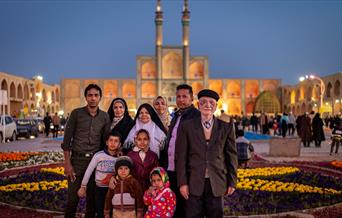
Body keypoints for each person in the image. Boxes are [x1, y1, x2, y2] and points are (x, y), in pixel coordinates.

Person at [175, 89, 238, 218]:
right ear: (198, 105)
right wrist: (182, 183)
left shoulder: (225, 127)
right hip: (194, 182)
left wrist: (232, 181)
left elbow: (231, 155)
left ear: (215, 106)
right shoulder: (187, 126)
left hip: (216, 182)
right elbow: (181, 157)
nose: (207, 105)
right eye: (203, 102)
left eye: (211, 102)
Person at [61, 84, 111, 218]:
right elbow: (66, 141)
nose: (93, 98)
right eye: (90, 95)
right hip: (77, 161)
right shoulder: (76, 114)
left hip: (95, 163)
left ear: (100, 98)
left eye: (96, 95)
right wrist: (67, 163)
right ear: (86, 97)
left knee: (92, 202)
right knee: (72, 200)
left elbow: (106, 141)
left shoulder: (105, 117)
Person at [159, 84, 200, 218]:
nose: (181, 99)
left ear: (192, 98)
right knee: (174, 208)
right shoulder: (177, 115)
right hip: (172, 170)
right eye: (178, 96)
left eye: (184, 96)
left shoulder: (196, 117)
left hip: (187, 172)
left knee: (188, 209)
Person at [77, 130, 122, 218]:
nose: (113, 143)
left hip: (113, 190)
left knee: (112, 212)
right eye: (111, 140)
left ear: (120, 144)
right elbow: (89, 170)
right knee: (100, 211)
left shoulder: (119, 158)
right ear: (106, 142)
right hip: (99, 189)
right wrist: (83, 186)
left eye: (116, 141)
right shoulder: (99, 155)